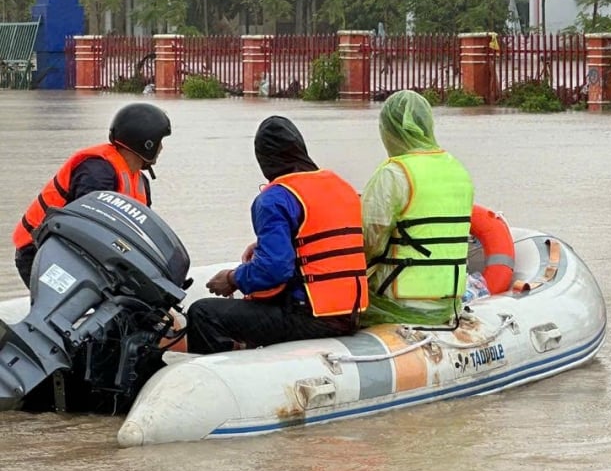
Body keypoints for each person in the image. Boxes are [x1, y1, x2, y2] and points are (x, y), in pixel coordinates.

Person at [185, 116, 366, 354]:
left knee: (203, 313)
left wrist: (232, 279)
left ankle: (219, 380)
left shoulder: (273, 199)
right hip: (351, 314)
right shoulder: (342, 187)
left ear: (264, 160)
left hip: (309, 317)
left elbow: (275, 269)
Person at [11, 102, 171, 288]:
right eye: (159, 142)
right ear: (146, 143)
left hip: (76, 252)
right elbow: (84, 229)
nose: (161, 148)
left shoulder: (139, 181)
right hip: (40, 251)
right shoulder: (97, 173)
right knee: (69, 306)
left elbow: (141, 232)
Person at [362, 90, 474, 327]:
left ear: (389, 131)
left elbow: (369, 241)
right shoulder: (458, 169)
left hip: (399, 302)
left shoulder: (393, 173)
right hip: (448, 301)